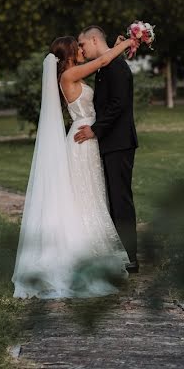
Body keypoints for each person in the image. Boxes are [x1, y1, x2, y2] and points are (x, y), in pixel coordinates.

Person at [12, 34, 136, 299]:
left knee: (89, 195)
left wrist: (114, 48)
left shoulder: (74, 75)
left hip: (86, 136)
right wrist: (126, 44)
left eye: (82, 45)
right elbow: (103, 59)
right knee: (85, 196)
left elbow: (103, 63)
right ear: (69, 52)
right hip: (84, 137)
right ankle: (84, 254)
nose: (81, 50)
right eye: (77, 47)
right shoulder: (69, 76)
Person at [74, 26, 139, 273]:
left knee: (121, 199)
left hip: (119, 142)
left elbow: (117, 105)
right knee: (111, 198)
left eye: (82, 44)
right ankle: (119, 252)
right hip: (110, 142)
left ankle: (130, 257)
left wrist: (95, 130)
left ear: (93, 39)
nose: (81, 49)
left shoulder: (116, 67)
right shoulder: (107, 65)